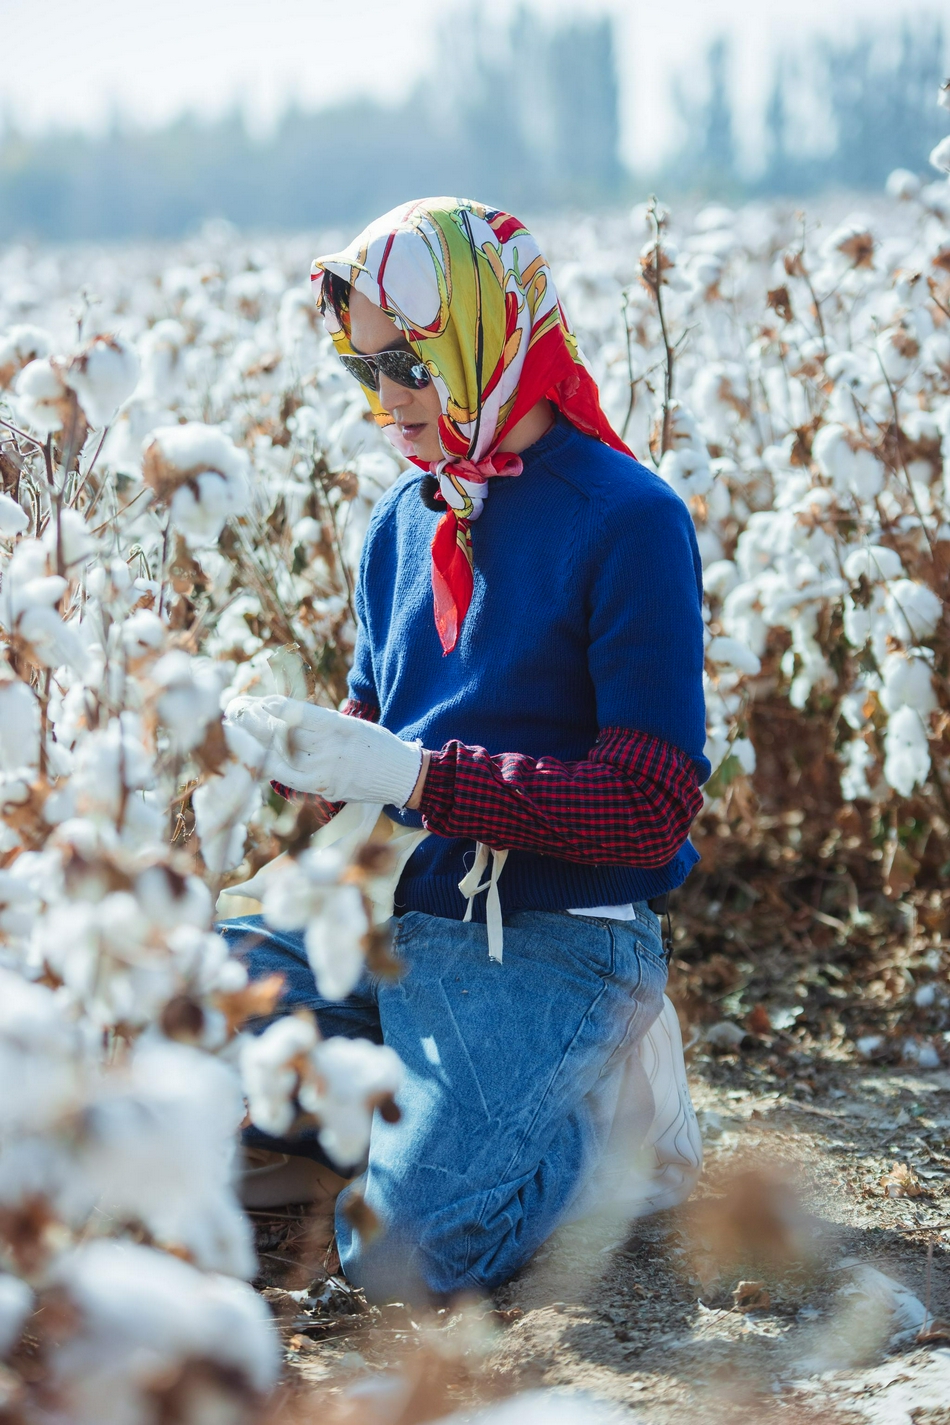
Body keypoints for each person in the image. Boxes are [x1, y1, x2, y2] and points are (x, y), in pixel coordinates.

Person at [219, 198, 709, 1303]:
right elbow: (379, 728)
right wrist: (291, 754)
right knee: (147, 1041)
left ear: (490, 336)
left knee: (404, 1254)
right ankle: (440, 1106)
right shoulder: (404, 519)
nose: (386, 399)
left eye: (410, 363)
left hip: (547, 941)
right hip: (401, 924)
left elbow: (648, 807)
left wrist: (417, 781)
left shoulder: (626, 521)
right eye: (361, 368)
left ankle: (614, 1129)